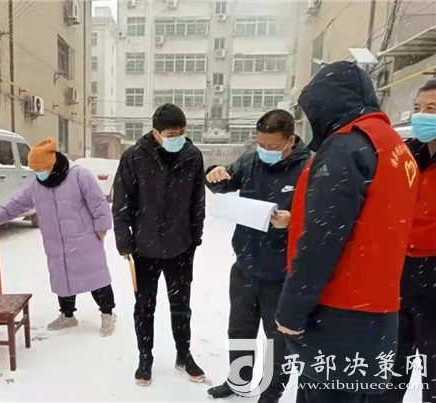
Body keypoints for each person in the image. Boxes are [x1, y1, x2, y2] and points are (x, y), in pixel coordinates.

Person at [274, 61, 420, 403]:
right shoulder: (394, 147)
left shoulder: (346, 147)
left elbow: (322, 240)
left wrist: (292, 310)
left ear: (328, 103)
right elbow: (372, 222)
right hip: (376, 312)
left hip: (337, 311)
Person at [205, 110, 311, 402]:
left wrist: (294, 221)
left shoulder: (309, 168)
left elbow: (323, 218)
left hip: (281, 273)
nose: (265, 150)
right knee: (240, 329)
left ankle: (271, 392)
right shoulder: (250, 162)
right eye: (261, 143)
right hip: (245, 265)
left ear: (290, 140)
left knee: (277, 339)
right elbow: (223, 182)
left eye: (272, 146)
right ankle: (238, 381)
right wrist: (214, 173)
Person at [113, 103, 206, 386]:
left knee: (181, 306)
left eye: (181, 132)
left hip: (180, 246)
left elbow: (198, 200)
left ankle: (184, 355)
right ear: (156, 133)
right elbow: (121, 202)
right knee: (144, 307)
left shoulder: (192, 156)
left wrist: (195, 237)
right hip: (144, 248)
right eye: (171, 134)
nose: (177, 138)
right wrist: (124, 242)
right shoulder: (134, 157)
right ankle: (145, 358)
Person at [0, 138, 117, 336]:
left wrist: (102, 227)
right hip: (55, 242)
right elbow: (17, 203)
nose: (38, 173)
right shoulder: (37, 186)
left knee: (95, 277)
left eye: (40, 169)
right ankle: (67, 316)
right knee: (63, 279)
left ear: (51, 164)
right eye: (35, 170)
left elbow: (98, 202)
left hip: (84, 238)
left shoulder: (78, 176)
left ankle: (108, 314)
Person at [369, 80, 436, 403]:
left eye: (431, 109)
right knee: (391, 363)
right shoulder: (407, 154)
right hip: (401, 271)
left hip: (434, 271)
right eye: (419, 108)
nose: (422, 116)